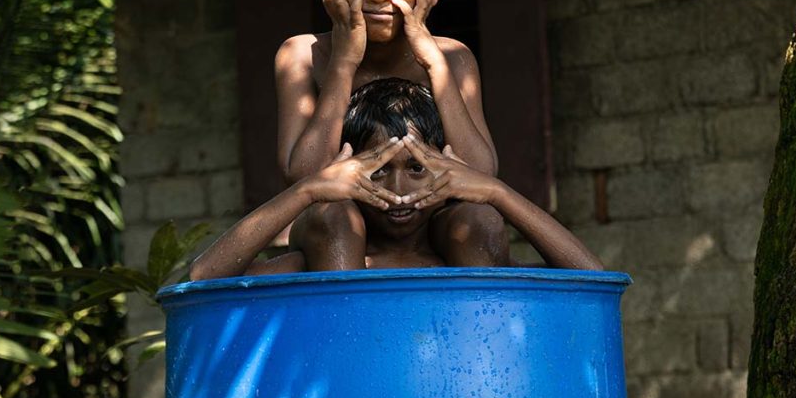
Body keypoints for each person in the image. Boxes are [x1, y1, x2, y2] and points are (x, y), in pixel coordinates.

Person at [274, 0, 506, 271]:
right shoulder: (301, 54)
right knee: (337, 218)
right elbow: (306, 179)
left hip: (423, 223)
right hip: (328, 226)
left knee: (480, 222)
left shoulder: (453, 58)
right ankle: (349, 328)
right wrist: (345, 61)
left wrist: (433, 61)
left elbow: (480, 178)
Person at [190, 79, 602, 279]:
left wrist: (496, 193)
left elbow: (593, 278)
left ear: (447, 169)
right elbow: (201, 279)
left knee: (482, 220)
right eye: (378, 170)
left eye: (417, 169)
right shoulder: (319, 265)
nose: (399, 192)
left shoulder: (464, 259)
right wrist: (310, 189)